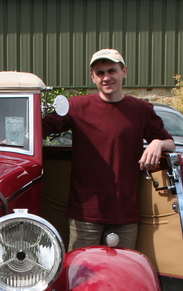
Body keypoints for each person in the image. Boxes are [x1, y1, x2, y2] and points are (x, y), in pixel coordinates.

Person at [42, 49, 175, 250]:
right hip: (86, 214)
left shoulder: (140, 110)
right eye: (100, 73)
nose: (106, 77)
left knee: (123, 273)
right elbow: (44, 127)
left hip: (125, 214)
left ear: (124, 72)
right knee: (81, 274)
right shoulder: (77, 106)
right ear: (93, 77)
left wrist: (157, 143)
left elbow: (170, 142)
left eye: (111, 71)